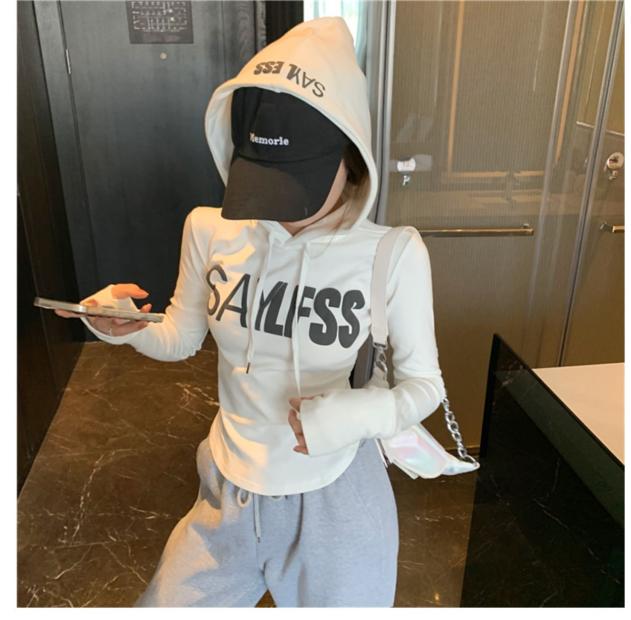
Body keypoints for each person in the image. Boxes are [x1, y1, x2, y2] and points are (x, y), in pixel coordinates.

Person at [55, 16, 445, 607]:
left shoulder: (393, 254)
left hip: (337, 498)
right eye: (263, 179)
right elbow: (181, 336)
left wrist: (351, 416)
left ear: (352, 158)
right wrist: (126, 328)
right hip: (228, 488)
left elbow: (425, 386)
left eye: (299, 180)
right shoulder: (210, 229)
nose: (279, 207)